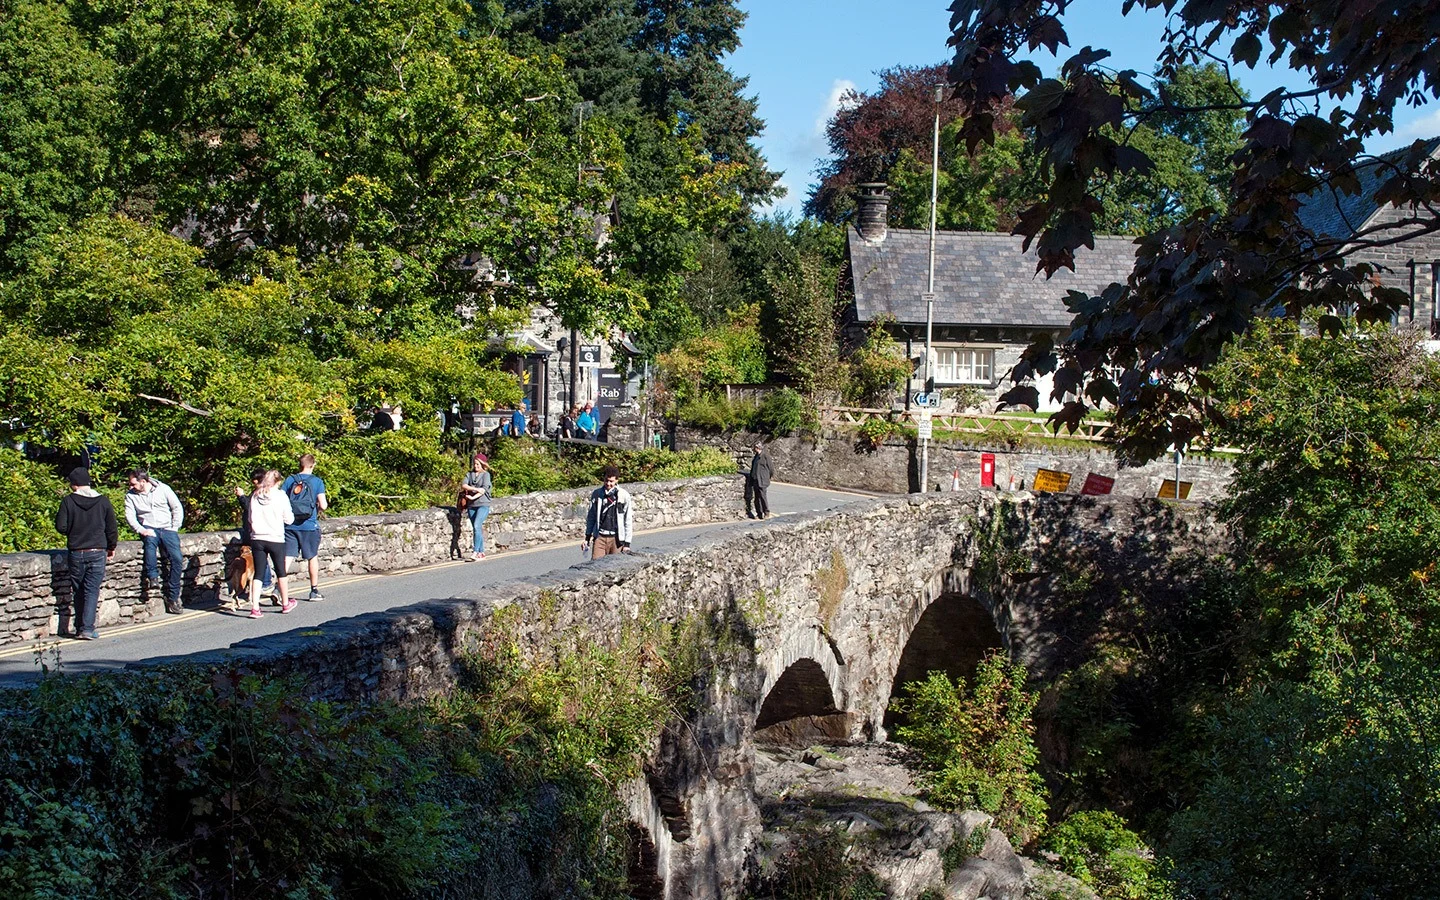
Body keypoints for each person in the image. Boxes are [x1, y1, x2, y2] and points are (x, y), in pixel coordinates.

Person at [54, 467, 118, 640]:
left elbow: (61, 527)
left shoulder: (68, 501)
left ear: (74, 485)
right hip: (97, 551)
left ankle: (79, 627)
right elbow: (112, 528)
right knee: (91, 590)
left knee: (78, 590)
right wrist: (111, 547)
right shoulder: (103, 501)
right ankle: (87, 629)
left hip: (76, 551)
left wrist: (74, 530)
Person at [124, 467, 185, 614]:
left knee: (177, 559)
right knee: (150, 545)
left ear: (143, 481)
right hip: (148, 527)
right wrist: (141, 529)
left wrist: (174, 526)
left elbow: (176, 507)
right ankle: (153, 578)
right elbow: (130, 516)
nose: (131, 487)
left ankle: (173, 596)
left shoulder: (163, 489)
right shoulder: (131, 496)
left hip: (167, 528)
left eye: (133, 484)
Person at [245, 470, 295, 618]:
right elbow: (289, 519)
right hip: (275, 537)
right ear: (277, 481)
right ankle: (285, 604)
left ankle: (255, 608)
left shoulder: (255, 495)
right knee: (281, 571)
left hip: (257, 538)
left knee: (258, 573)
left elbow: (249, 517)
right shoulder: (280, 496)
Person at [282, 453, 329, 601]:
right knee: (312, 557)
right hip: (309, 525)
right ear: (313, 465)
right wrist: (317, 510)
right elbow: (324, 505)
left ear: (299, 464)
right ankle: (314, 591)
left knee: (287, 557)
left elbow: (281, 500)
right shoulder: (317, 481)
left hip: (290, 526)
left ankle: (279, 588)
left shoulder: (290, 480)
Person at [583, 465, 632, 560]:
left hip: (616, 539)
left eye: (611, 481)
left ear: (617, 480)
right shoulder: (597, 494)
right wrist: (587, 537)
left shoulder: (624, 495)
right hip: (600, 537)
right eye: (606, 480)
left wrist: (627, 544)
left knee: (615, 568)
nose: (608, 483)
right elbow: (591, 517)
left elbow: (627, 520)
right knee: (595, 566)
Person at [461, 453, 492, 560]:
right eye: (475, 464)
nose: (476, 466)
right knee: (476, 529)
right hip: (471, 506)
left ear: (483, 464)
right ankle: (481, 552)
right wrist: (475, 490)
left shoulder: (486, 475)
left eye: (478, 464)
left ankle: (475, 551)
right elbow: (464, 485)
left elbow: (483, 490)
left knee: (477, 526)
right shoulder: (469, 474)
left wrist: (473, 496)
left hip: (483, 504)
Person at [747, 441, 774, 520]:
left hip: (762, 480)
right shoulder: (756, 456)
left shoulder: (765, 456)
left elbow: (771, 468)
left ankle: (766, 512)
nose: (754, 449)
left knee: (762, 496)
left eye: (755, 447)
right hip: (755, 480)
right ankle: (759, 514)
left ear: (758, 448)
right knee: (757, 498)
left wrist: (768, 477)